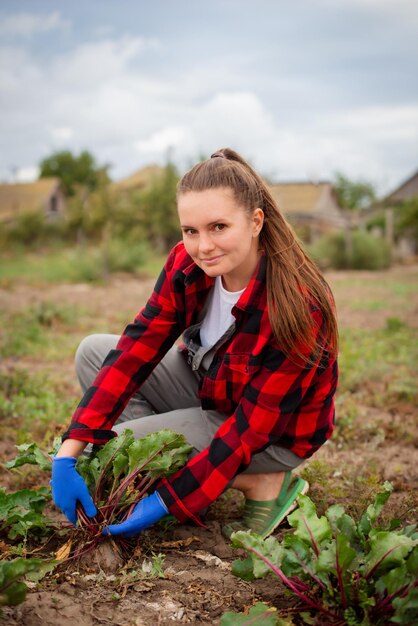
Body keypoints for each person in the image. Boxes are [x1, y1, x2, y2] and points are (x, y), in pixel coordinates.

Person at [51, 148, 338, 540]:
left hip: (273, 434)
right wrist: (70, 451)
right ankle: (183, 464)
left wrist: (169, 499)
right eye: (191, 231)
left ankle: (263, 482)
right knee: (94, 352)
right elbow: (139, 345)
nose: (204, 246)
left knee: (118, 446)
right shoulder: (188, 265)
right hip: (215, 391)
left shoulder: (297, 305)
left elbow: (248, 432)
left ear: (255, 222)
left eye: (219, 227)